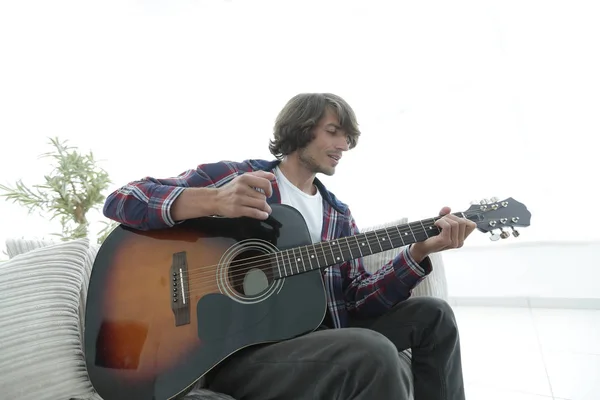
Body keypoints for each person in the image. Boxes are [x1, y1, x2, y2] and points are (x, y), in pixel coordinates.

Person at [103, 92, 477, 400]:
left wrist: (418, 252)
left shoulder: (337, 215)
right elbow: (123, 198)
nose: (343, 145)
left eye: (347, 137)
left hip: (322, 340)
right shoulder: (240, 179)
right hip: (241, 354)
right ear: (301, 129)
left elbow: (358, 300)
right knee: (373, 351)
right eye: (333, 132)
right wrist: (214, 201)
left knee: (435, 316)